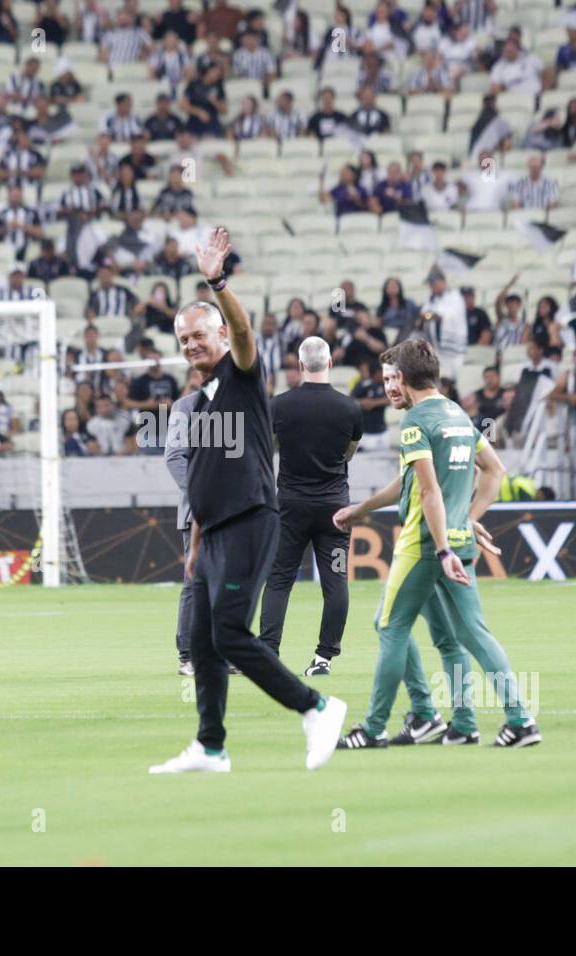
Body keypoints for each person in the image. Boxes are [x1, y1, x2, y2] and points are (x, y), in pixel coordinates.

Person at [149, 227, 346, 774]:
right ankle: (210, 746)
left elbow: (241, 329)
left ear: (218, 334)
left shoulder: (241, 373)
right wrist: (194, 541)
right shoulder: (204, 403)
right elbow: (206, 477)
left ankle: (318, 707)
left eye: (198, 335)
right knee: (204, 640)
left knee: (232, 634)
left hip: (251, 523)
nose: (190, 345)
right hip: (213, 532)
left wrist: (217, 282)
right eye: (182, 339)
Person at [333, 338, 542, 749]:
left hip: (426, 544)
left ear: (407, 378)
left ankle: (375, 728)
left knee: (390, 625)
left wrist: (443, 548)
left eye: (394, 378)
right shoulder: (458, 415)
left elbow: (428, 493)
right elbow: (495, 471)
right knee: (466, 636)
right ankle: (491, 721)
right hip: (456, 540)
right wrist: (466, 519)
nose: (390, 386)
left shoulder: (415, 423)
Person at [258, 337, 362, 676]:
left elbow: (268, 449)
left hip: (289, 505)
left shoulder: (278, 405)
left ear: (300, 365)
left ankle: (269, 652)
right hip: (335, 509)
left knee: (278, 579)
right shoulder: (350, 408)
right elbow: (349, 451)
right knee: (335, 582)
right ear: (330, 363)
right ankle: (324, 657)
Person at [164, 383, 201, 676]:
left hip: (236, 512)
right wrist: (204, 494)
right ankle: (188, 654)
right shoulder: (184, 407)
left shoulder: (240, 407)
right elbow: (174, 457)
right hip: (199, 512)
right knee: (195, 582)